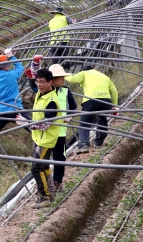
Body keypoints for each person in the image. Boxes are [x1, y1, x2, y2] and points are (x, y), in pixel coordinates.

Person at [65, 64, 118, 153]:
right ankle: (99, 142)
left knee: (84, 123)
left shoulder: (84, 73)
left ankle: (84, 144)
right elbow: (114, 91)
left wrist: (64, 74)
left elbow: (73, 79)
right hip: (105, 100)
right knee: (102, 121)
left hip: (90, 101)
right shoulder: (104, 76)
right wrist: (114, 106)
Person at [29, 68, 62, 208]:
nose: (39, 84)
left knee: (36, 168)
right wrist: (35, 64)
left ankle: (45, 196)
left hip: (46, 140)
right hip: (38, 139)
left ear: (50, 82)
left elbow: (47, 123)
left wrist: (30, 125)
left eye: (42, 82)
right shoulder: (41, 94)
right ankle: (51, 191)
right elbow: (32, 75)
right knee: (44, 166)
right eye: (37, 81)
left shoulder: (52, 100)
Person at [47, 63, 78, 192]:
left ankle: (57, 182)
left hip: (60, 131)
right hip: (47, 133)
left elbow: (73, 107)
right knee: (43, 161)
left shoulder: (65, 91)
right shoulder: (44, 92)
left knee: (60, 158)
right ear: (53, 80)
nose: (63, 79)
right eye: (61, 77)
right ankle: (46, 186)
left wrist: (69, 116)